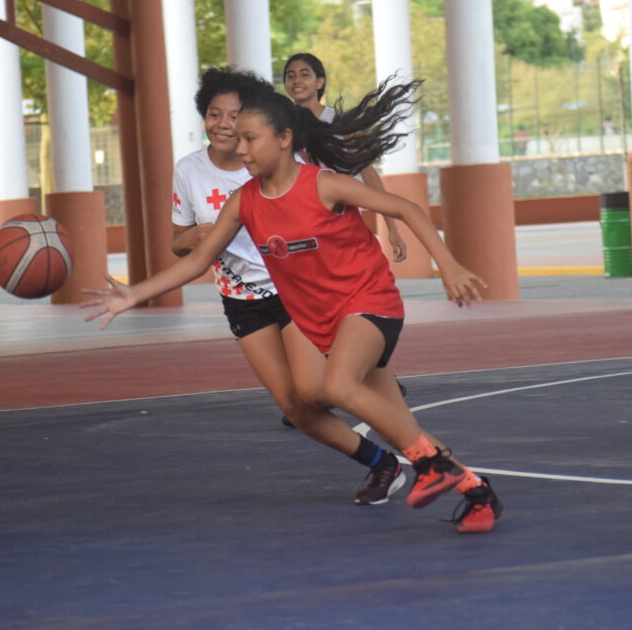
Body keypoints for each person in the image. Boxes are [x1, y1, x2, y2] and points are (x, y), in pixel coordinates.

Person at [84, 77, 504, 533]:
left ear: (284, 140)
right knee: (362, 413)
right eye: (238, 138)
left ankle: (429, 465)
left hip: (366, 300)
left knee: (341, 386)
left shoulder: (322, 184)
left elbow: (405, 208)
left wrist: (449, 265)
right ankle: (477, 492)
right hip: (314, 316)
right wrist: (134, 293)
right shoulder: (244, 201)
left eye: (250, 138)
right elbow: (198, 260)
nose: (240, 148)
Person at [171, 67, 404, 507]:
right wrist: (194, 238)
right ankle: (381, 463)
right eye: (214, 114)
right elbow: (179, 244)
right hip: (242, 300)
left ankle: (371, 375)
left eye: (235, 117)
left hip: (294, 289)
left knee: (319, 390)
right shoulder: (188, 172)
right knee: (297, 410)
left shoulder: (271, 160)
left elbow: (354, 182)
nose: (224, 125)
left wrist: (389, 226)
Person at [282, 52, 407, 262]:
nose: (296, 81)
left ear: (319, 81)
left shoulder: (340, 123)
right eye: (290, 75)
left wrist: (391, 228)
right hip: (297, 220)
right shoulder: (280, 124)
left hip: (338, 218)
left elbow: (369, 175)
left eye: (304, 75)